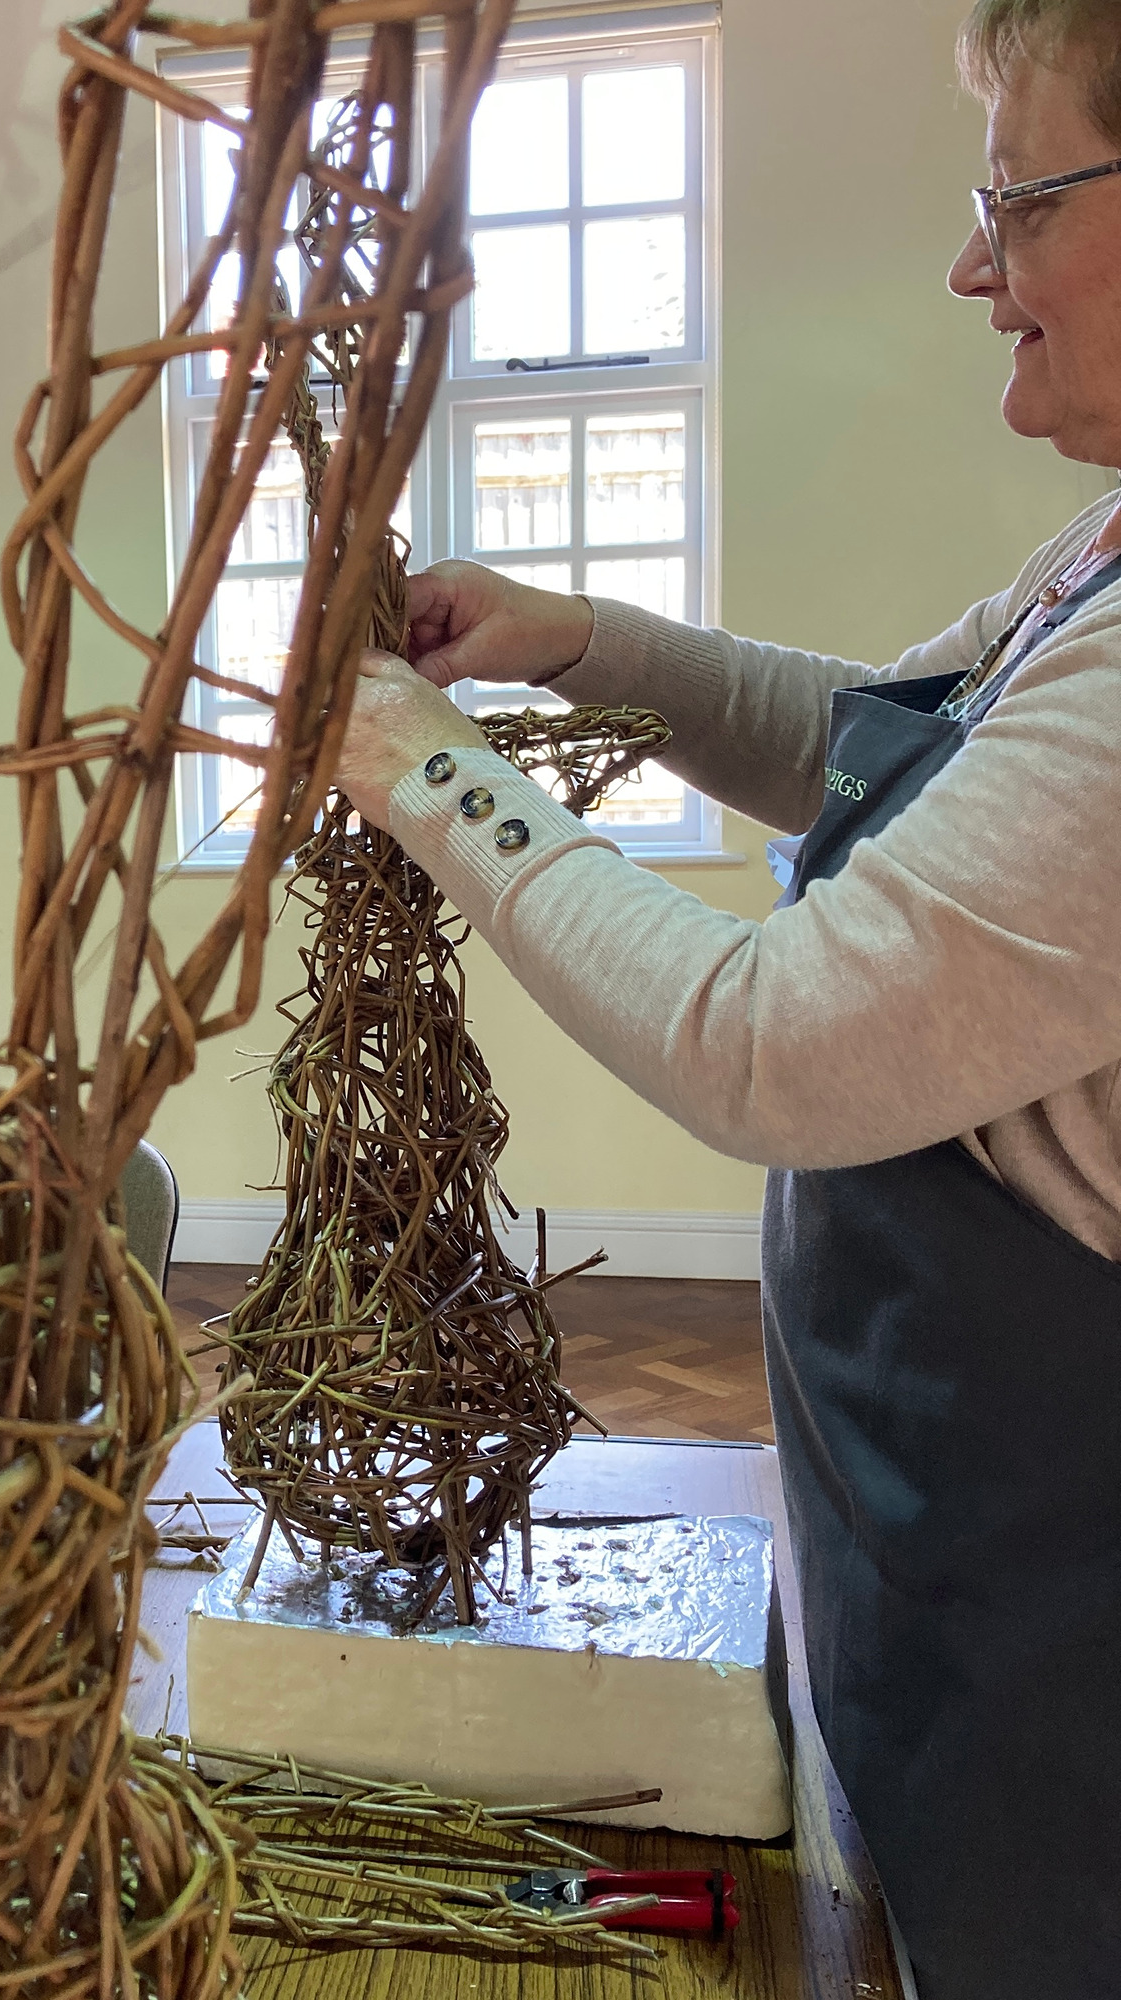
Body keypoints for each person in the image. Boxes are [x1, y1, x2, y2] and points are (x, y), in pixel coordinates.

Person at [334, 4, 1121, 1995]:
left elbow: (764, 1038)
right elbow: (885, 739)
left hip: (1069, 1672)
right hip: (950, 1591)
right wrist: (581, 645)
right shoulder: (1094, 574)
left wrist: (420, 765)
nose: (972, 265)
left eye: (1021, 202)